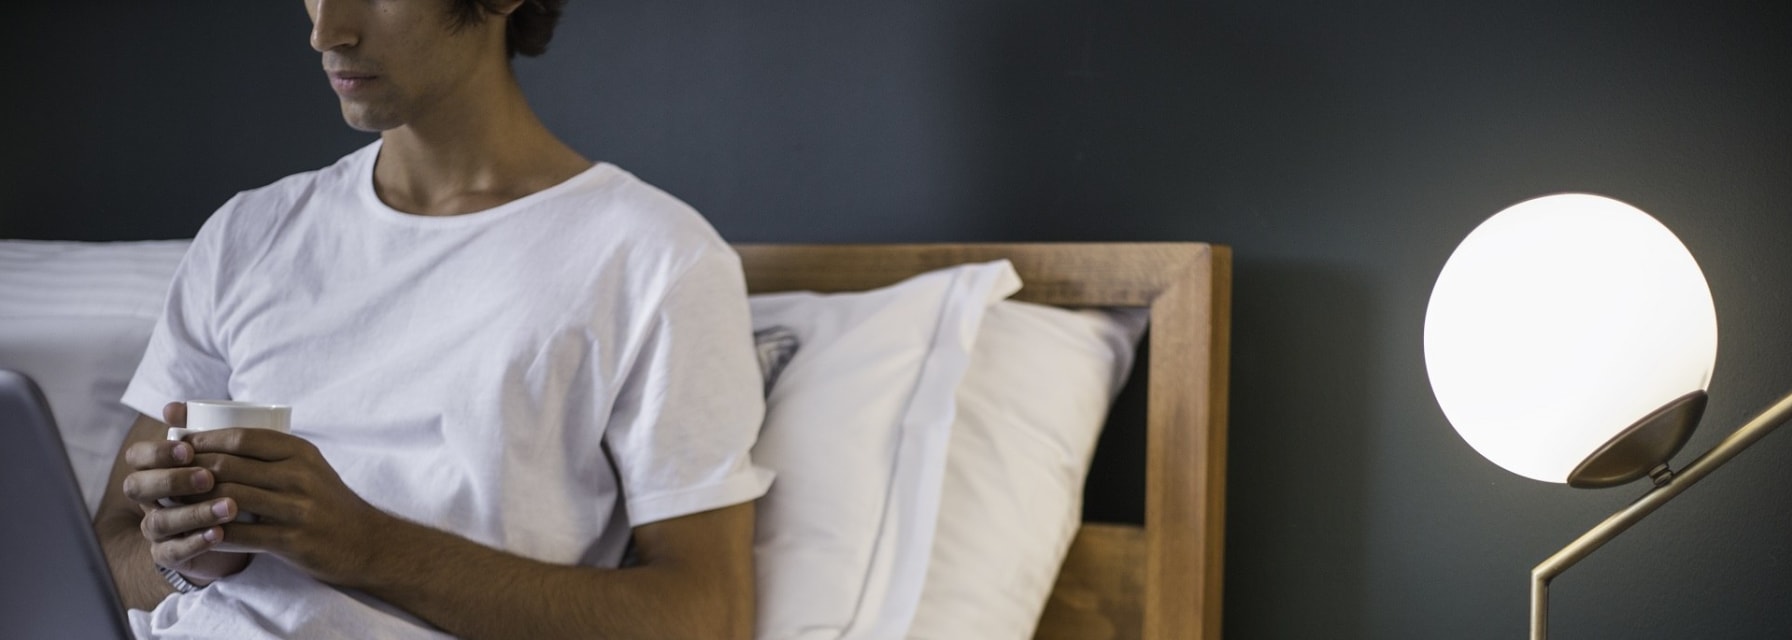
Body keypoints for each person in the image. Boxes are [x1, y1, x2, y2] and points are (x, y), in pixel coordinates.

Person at [90, 1, 771, 638]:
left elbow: (709, 614)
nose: (327, 33)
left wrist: (365, 546)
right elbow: (109, 548)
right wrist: (196, 558)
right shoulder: (251, 232)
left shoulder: (655, 258)